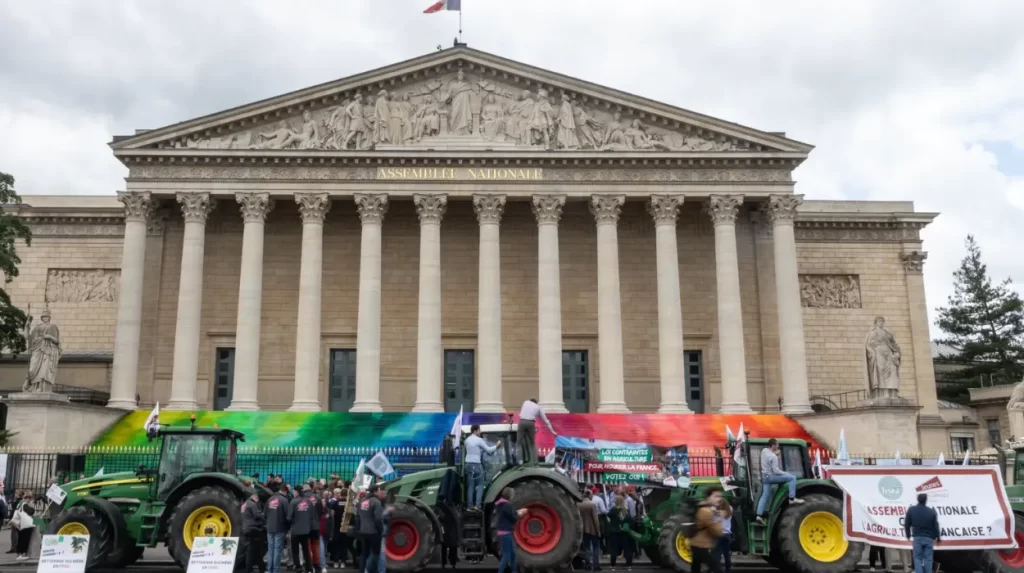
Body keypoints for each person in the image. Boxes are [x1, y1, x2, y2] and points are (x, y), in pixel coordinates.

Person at [756, 439, 804, 522]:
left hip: (764, 477)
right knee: (792, 478)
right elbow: (776, 471)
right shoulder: (774, 457)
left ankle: (759, 515)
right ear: (774, 445)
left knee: (764, 496)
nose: (778, 446)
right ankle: (792, 498)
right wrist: (785, 473)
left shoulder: (764, 451)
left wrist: (775, 454)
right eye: (777, 445)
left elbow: (768, 456)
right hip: (771, 477)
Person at [688, 486, 725, 573]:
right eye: (716, 496)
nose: (719, 499)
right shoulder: (706, 511)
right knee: (715, 567)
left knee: (695, 568)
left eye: (720, 496)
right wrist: (720, 518)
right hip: (701, 545)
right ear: (708, 497)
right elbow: (718, 531)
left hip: (696, 543)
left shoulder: (703, 507)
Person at [904, 493, 940, 573]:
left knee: (917, 558)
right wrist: (938, 536)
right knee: (928, 558)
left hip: (917, 537)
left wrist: (908, 535)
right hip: (929, 538)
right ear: (926, 500)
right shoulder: (931, 511)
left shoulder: (912, 510)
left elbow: (907, 523)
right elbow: (935, 525)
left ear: (918, 499)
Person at [465, 424, 498, 507]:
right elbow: (488, 450)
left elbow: (475, 450)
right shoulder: (479, 440)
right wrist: (497, 446)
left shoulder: (467, 440)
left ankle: (469, 506)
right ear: (475, 430)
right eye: (479, 430)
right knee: (480, 485)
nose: (480, 432)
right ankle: (478, 505)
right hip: (476, 464)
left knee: (471, 485)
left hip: (468, 464)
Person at [495, 488, 527, 573]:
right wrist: (522, 513)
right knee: (506, 555)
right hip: (506, 533)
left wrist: (517, 512)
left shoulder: (500, 504)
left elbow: (509, 514)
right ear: (510, 495)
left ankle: (514, 571)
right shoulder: (507, 505)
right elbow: (514, 517)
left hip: (504, 532)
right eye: (512, 494)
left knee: (513, 554)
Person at [517, 399, 557, 464]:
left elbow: (523, 412)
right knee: (532, 444)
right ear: (536, 403)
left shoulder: (525, 402)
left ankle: (520, 461)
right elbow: (546, 421)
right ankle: (535, 462)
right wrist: (553, 432)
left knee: (519, 443)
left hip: (522, 422)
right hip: (531, 423)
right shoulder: (538, 407)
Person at [288, 485, 316, 573]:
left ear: (296, 492)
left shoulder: (293, 502)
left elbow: (289, 517)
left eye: (294, 491)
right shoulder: (309, 502)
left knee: (295, 551)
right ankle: (309, 568)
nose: (293, 493)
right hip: (306, 530)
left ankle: (298, 567)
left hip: (295, 530)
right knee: (306, 550)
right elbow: (312, 516)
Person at [358, 487, 386, 573]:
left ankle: (362, 570)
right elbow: (378, 518)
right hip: (374, 532)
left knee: (365, 553)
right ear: (375, 491)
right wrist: (381, 530)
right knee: (375, 553)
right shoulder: (376, 502)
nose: (380, 492)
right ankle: (368, 569)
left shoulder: (363, 501)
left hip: (363, 530)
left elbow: (358, 516)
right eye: (379, 490)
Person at [265, 482, 290, 573]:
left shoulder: (270, 499)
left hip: (270, 527)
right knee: (277, 550)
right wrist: (287, 528)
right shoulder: (284, 500)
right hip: (280, 528)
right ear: (285, 491)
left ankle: (269, 569)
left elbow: (265, 514)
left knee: (271, 549)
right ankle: (276, 570)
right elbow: (288, 516)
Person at [242, 491, 266, 573]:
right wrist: (265, 517)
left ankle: (261, 568)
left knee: (255, 549)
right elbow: (258, 516)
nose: (258, 500)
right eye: (257, 498)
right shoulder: (252, 504)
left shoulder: (244, 504)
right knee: (252, 550)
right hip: (253, 529)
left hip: (245, 529)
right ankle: (249, 569)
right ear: (255, 497)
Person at [607, 496, 634, 570]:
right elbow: (630, 520)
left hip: (614, 532)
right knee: (627, 548)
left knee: (614, 549)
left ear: (616, 501)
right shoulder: (625, 510)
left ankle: (613, 566)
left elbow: (608, 516)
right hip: (624, 532)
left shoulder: (613, 509)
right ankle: (629, 565)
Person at [578, 490, 601, 571]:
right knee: (595, 547)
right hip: (593, 529)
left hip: (583, 530)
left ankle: (588, 564)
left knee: (587, 547)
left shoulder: (578, 504)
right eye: (591, 495)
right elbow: (595, 519)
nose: (592, 496)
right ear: (589, 495)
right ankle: (596, 565)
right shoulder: (592, 504)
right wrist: (598, 531)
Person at [715, 497, 734, 573]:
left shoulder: (716, 512)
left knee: (717, 554)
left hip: (718, 535)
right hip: (727, 535)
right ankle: (728, 570)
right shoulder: (730, 509)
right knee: (727, 554)